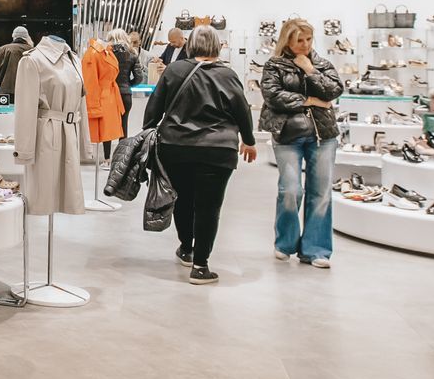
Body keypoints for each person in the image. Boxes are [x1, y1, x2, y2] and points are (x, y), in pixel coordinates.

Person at [143, 25, 256, 285]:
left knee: (181, 199)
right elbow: (242, 111)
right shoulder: (228, 75)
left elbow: (154, 110)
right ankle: (201, 266)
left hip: (176, 147)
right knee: (209, 207)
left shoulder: (174, 71)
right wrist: (249, 142)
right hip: (218, 150)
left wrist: (148, 134)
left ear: (189, 45)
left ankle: (186, 248)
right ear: (217, 46)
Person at [260, 19, 344, 268]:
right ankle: (285, 242)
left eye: (308, 39)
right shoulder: (274, 65)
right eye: (299, 40)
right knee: (291, 190)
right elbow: (273, 96)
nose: (305, 44)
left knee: (321, 193)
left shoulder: (320, 63)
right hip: (287, 135)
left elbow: (334, 90)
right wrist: (309, 100)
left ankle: (316, 249)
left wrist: (310, 70)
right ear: (287, 40)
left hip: (323, 135)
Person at [108, 28, 138, 139]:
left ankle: (107, 156)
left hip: (109, 94)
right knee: (124, 124)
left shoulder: (106, 53)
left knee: (108, 126)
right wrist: (128, 84)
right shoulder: (132, 53)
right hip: (125, 93)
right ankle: (122, 155)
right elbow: (138, 77)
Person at [0, 26, 29, 99]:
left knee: (6, 110)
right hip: (27, 92)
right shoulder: (33, 51)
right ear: (27, 37)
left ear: (13, 36)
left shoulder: (3, 49)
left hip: (5, 93)